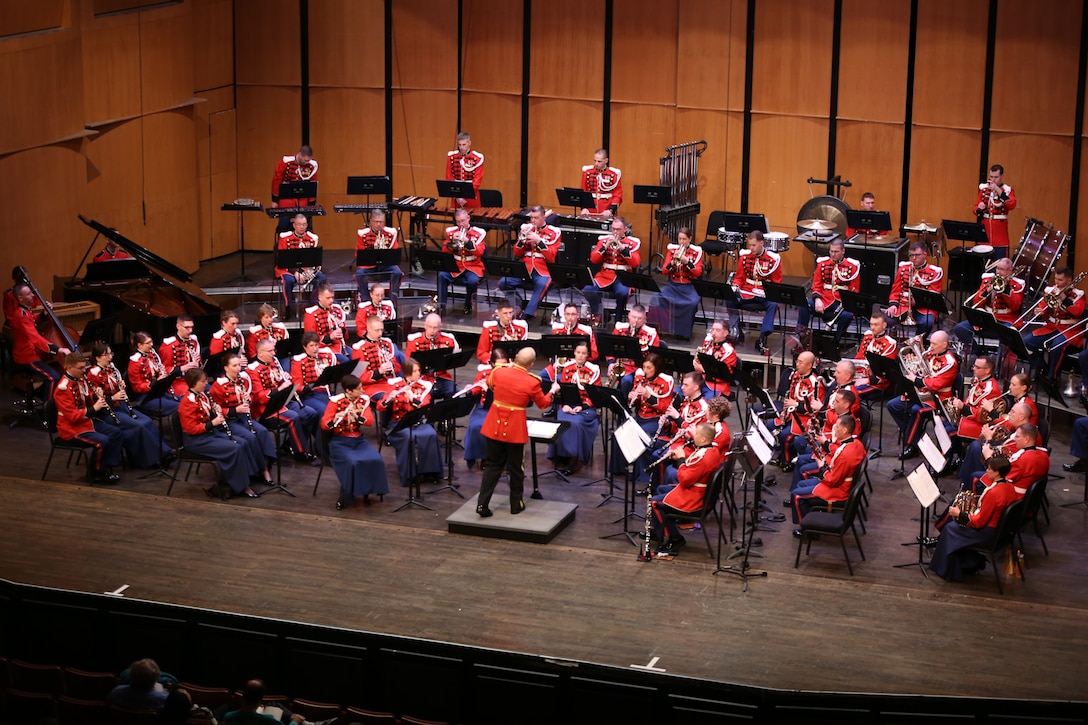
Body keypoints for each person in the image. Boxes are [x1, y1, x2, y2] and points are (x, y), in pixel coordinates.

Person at [476, 347, 560, 517]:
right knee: (516, 468)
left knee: (492, 465)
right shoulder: (532, 381)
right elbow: (543, 404)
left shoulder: (498, 372)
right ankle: (516, 504)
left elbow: (491, 386)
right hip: (514, 428)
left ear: (514, 358)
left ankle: (482, 505)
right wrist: (552, 391)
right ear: (531, 364)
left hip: (495, 424)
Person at [929, 455, 1017, 582]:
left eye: (989, 469)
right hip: (1001, 531)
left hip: (988, 533)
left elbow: (978, 522)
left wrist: (959, 514)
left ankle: (946, 570)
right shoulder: (1009, 487)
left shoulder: (993, 493)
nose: (986, 471)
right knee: (952, 526)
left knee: (950, 528)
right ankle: (966, 563)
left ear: (997, 473)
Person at [178, 367, 263, 498]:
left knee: (243, 441)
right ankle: (240, 486)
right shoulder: (187, 402)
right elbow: (191, 429)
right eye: (203, 381)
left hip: (208, 434)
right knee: (234, 448)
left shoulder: (203, 395)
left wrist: (215, 411)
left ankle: (248, 477)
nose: (206, 383)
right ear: (194, 383)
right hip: (196, 440)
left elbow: (208, 414)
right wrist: (213, 422)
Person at [87, 341, 171, 469]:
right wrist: (113, 397)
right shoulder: (92, 375)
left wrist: (120, 386)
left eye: (111, 353)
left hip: (119, 406)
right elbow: (94, 400)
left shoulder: (110, 368)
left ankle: (163, 454)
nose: (110, 357)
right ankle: (147, 461)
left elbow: (114, 388)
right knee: (138, 426)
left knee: (147, 421)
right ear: (97, 358)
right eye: (106, 355)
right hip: (105, 412)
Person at [649, 423, 722, 557]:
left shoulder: (703, 458)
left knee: (654, 503)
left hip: (694, 499)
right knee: (660, 489)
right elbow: (696, 467)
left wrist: (681, 460)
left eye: (697, 434)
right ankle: (658, 529)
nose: (694, 436)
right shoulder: (712, 450)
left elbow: (685, 479)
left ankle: (674, 538)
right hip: (699, 492)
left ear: (704, 439)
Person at [54, 352, 124, 485]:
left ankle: (106, 467)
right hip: (71, 429)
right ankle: (95, 474)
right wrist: (94, 409)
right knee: (102, 441)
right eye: (80, 368)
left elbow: (86, 395)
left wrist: (95, 395)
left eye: (84, 367)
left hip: (85, 422)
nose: (84, 370)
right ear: (69, 367)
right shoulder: (62, 389)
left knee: (116, 433)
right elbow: (73, 417)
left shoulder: (80, 379)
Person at [210, 353, 279, 485]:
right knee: (251, 437)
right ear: (226, 368)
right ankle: (260, 470)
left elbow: (250, 398)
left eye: (239, 365)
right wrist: (235, 410)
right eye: (234, 366)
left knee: (263, 432)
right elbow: (215, 410)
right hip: (228, 420)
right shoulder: (218, 386)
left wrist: (248, 399)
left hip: (242, 417)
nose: (238, 369)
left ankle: (266, 465)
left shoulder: (243, 380)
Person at [887, 331, 958, 460]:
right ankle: (914, 435)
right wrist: (910, 363)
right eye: (930, 343)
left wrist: (916, 379)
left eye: (934, 344)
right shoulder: (930, 354)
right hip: (921, 393)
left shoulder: (950, 362)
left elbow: (936, 385)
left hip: (938, 399)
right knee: (893, 405)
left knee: (917, 410)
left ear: (944, 344)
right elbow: (917, 369)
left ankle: (912, 445)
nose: (930, 347)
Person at [322, 375, 389, 510]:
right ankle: (345, 496)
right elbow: (324, 425)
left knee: (376, 459)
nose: (363, 391)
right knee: (353, 462)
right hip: (340, 442)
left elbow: (369, 421)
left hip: (358, 440)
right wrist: (336, 419)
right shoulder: (336, 402)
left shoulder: (363, 401)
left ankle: (366, 491)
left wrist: (357, 417)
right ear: (349, 391)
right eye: (359, 389)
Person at [248, 338, 319, 460]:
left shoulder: (273, 363)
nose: (274, 353)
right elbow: (260, 397)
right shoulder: (253, 370)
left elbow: (277, 382)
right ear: (260, 353)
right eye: (270, 351)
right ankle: (300, 452)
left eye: (273, 350)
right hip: (266, 409)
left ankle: (290, 444)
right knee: (293, 417)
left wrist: (284, 378)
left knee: (310, 414)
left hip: (281, 403)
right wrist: (281, 388)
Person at [791, 415, 865, 527]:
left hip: (839, 490)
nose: (834, 428)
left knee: (796, 495)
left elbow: (831, 480)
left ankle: (806, 529)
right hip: (841, 482)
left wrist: (821, 466)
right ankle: (812, 516)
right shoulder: (857, 443)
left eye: (837, 426)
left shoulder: (845, 455)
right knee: (801, 484)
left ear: (845, 431)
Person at [379, 357, 443, 487]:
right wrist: (389, 399)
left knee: (430, 434)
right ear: (407, 372)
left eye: (419, 370)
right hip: (398, 423)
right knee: (408, 438)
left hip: (417, 421)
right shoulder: (395, 385)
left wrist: (412, 399)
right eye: (415, 371)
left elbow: (425, 404)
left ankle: (430, 472)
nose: (419, 373)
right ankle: (409, 475)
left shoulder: (424, 386)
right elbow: (381, 406)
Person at [613, 352, 675, 484]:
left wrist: (649, 396)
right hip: (640, 416)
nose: (645, 371)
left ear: (657, 368)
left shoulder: (665, 381)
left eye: (649, 368)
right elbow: (636, 404)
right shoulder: (640, 376)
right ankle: (620, 469)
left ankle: (641, 476)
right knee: (619, 434)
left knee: (639, 438)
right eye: (644, 367)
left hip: (655, 420)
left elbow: (666, 408)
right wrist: (632, 398)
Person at [647, 371, 709, 491]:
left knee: (657, 455)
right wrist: (667, 424)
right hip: (676, 440)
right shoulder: (687, 401)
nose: (682, 388)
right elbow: (676, 429)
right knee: (649, 446)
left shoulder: (703, 408)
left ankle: (659, 490)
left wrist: (677, 417)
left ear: (696, 387)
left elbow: (695, 436)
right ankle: (651, 483)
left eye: (686, 385)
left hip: (690, 447)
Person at [9, 282, 69, 400]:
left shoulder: (25, 310)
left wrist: (44, 314)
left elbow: (33, 321)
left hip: (33, 352)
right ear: (20, 298)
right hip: (27, 357)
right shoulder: (20, 315)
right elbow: (35, 338)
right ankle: (47, 409)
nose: (32, 295)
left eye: (31, 292)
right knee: (53, 377)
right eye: (29, 294)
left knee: (55, 374)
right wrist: (58, 349)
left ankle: (39, 395)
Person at [1023, 266, 1085, 380]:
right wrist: (1039, 312)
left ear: (1069, 281)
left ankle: (1051, 377)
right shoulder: (1050, 292)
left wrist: (1064, 298)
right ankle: (1040, 366)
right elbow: (1044, 309)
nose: (1057, 282)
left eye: (1060, 280)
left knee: (1056, 346)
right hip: (1051, 327)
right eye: (1056, 279)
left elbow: (1077, 312)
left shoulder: (1078, 295)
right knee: (1026, 342)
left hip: (1069, 330)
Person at [548, 341, 600, 475]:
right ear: (574, 353)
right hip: (568, 405)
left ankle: (574, 459)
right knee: (561, 418)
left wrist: (581, 407)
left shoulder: (594, 370)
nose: (580, 356)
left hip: (586, 408)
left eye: (584, 353)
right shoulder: (568, 366)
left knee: (575, 423)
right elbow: (563, 390)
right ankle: (561, 456)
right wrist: (564, 405)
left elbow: (596, 394)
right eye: (578, 353)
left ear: (588, 355)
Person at [957, 402, 1033, 492]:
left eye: (1013, 412)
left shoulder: (1022, 437)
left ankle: (967, 488)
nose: (1009, 414)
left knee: (976, 448)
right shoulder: (1023, 431)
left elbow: (1003, 459)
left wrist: (989, 439)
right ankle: (965, 483)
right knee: (976, 446)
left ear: (1021, 417)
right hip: (1004, 462)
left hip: (1003, 474)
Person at [952, 257, 1024, 353]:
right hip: (987, 319)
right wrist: (988, 290)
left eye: (1002, 269)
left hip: (1005, 320)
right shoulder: (988, 279)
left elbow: (1015, 306)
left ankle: (1000, 360)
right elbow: (976, 302)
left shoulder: (1017, 285)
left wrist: (1005, 289)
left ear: (1010, 270)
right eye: (997, 268)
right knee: (960, 328)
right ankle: (976, 350)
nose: (998, 272)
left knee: (1009, 336)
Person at [501, 205, 560, 321]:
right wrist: (522, 240)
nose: (533, 221)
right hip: (525, 268)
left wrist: (539, 241)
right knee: (503, 282)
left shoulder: (553, 232)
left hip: (542, 269)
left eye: (536, 218)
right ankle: (517, 304)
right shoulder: (526, 229)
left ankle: (528, 314)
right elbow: (517, 253)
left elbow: (551, 256)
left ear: (544, 217)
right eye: (531, 218)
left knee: (542, 284)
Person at [796, 238, 860, 344]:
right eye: (831, 251)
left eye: (836, 252)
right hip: (824, 298)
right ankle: (802, 335)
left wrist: (846, 303)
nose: (833, 254)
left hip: (840, 302)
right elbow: (816, 285)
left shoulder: (852, 267)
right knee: (804, 305)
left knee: (847, 316)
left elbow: (854, 290)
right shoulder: (823, 264)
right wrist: (817, 299)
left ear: (843, 251)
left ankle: (836, 342)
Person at [727, 230, 782, 353]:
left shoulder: (773, 260)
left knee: (773, 304)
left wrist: (768, 293)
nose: (751, 248)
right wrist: (735, 286)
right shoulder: (745, 257)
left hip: (764, 293)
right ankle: (736, 330)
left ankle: (762, 338)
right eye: (749, 245)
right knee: (730, 298)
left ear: (761, 243)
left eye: (754, 245)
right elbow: (740, 278)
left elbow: (776, 283)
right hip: (747, 291)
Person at [584, 217, 640, 321]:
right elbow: (593, 259)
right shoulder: (604, 241)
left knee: (622, 293)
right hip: (605, 276)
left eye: (618, 229)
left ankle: (618, 320)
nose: (615, 232)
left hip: (623, 276)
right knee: (588, 290)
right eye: (613, 229)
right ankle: (601, 315)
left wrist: (623, 249)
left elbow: (636, 263)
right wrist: (604, 247)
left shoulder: (633, 243)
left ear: (625, 229)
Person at [463, 348, 508, 470]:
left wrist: (489, 390)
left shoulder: (511, 374)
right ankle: (484, 457)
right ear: (492, 364)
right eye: (498, 365)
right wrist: (470, 390)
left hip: (505, 408)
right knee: (477, 426)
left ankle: (500, 457)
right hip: (485, 408)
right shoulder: (484, 373)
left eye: (504, 364)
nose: (500, 368)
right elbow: (476, 388)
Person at [655, 226, 703, 338]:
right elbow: (664, 271)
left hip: (689, 286)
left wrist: (687, 262)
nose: (681, 242)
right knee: (657, 297)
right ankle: (664, 329)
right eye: (680, 239)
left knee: (691, 303)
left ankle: (683, 333)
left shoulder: (696, 252)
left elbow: (698, 273)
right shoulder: (672, 251)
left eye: (684, 239)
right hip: (673, 285)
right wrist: (672, 263)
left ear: (690, 239)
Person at [438, 209, 487, 315]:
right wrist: (451, 242)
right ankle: (441, 305)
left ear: (468, 218)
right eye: (458, 221)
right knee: (442, 275)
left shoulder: (478, 233)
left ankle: (468, 303)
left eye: (463, 221)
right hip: (456, 266)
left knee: (472, 281)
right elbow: (444, 250)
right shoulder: (451, 232)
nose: (461, 224)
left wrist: (467, 242)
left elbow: (480, 252)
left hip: (473, 266)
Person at [274, 214, 325, 316]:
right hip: (287, 269)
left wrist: (307, 272)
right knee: (288, 281)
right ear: (294, 225)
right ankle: (288, 307)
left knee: (321, 278)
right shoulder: (285, 238)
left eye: (304, 224)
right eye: (299, 224)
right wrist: (295, 272)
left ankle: (313, 303)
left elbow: (313, 260)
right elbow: (282, 259)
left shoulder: (312, 238)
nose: (302, 227)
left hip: (306, 269)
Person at [405, 312, 461, 399]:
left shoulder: (448, 339)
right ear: (425, 326)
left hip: (441, 376)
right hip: (421, 378)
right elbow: (408, 364)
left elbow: (456, 358)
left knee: (454, 392)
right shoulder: (414, 340)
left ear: (440, 327)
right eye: (430, 327)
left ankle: (446, 412)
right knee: (426, 395)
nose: (432, 330)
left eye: (435, 328)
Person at [542, 303, 598, 386]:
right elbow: (551, 350)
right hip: (559, 365)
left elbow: (594, 353)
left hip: (576, 366)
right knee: (539, 378)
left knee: (559, 379)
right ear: (564, 315)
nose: (570, 318)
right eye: (568, 314)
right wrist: (554, 362)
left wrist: (577, 358)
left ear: (578, 316)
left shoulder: (586, 331)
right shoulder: (557, 329)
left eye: (573, 314)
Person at [610, 304, 660, 396]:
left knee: (626, 381)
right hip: (621, 365)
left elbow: (654, 356)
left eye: (639, 318)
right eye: (634, 317)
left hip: (639, 368)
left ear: (645, 318)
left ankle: (624, 407)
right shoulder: (620, 328)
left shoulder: (651, 333)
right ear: (629, 315)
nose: (636, 321)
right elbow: (610, 347)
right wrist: (611, 363)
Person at [128, 331, 180, 416]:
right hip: (145, 397)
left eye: (151, 342)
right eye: (148, 343)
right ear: (139, 345)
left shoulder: (151, 355)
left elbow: (154, 373)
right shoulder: (135, 362)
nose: (151, 344)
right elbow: (137, 387)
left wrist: (161, 374)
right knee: (178, 407)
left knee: (182, 402)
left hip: (157, 391)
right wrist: (155, 383)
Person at [952, 356, 1004, 441]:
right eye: (974, 366)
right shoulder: (979, 381)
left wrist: (963, 407)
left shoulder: (991, 389)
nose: (973, 369)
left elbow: (982, 415)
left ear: (987, 370)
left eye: (977, 367)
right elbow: (969, 400)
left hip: (979, 426)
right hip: (969, 420)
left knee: (949, 431)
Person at [354, 209, 402, 300]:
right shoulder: (363, 234)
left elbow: (394, 251)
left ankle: (393, 300)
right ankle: (366, 300)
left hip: (386, 265)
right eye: (376, 222)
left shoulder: (390, 234)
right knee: (359, 274)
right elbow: (359, 254)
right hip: (369, 266)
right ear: (370, 221)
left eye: (381, 222)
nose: (379, 224)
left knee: (397, 272)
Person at [352, 314, 402, 400]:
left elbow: (398, 368)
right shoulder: (359, 349)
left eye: (381, 330)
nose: (380, 334)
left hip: (390, 382)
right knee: (390, 399)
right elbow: (358, 377)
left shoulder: (387, 344)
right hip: (371, 387)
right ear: (368, 329)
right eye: (377, 330)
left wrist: (392, 365)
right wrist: (379, 372)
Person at [974, 163, 1017, 260]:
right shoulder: (984, 190)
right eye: (991, 177)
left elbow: (1011, 204)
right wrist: (979, 208)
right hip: (984, 237)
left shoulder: (1007, 190)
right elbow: (975, 208)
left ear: (1002, 176)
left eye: (996, 177)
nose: (993, 180)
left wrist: (998, 190)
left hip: (1000, 237)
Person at [852, 311, 898, 398]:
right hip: (860, 374)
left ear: (884, 325)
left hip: (877, 383)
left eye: (876, 325)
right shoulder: (868, 336)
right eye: (871, 324)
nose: (872, 328)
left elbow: (885, 373)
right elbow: (859, 357)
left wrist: (867, 380)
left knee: (850, 394)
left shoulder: (890, 344)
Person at [271, 145, 318, 232]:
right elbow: (277, 180)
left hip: (303, 201)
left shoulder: (312, 165)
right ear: (299, 154)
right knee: (283, 227)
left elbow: (313, 184)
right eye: (305, 160)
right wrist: (275, 200)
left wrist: (312, 204)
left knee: (304, 227)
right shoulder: (285, 162)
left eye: (309, 160)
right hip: (286, 200)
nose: (307, 162)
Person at [291, 331, 337, 418]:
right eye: (311, 346)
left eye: (316, 345)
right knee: (325, 411)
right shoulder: (299, 361)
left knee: (340, 408)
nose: (315, 349)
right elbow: (297, 386)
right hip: (310, 396)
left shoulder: (325, 356)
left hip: (326, 392)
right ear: (305, 347)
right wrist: (308, 388)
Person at [223, 679, 305, 724]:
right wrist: (295, 721)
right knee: (274, 705)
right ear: (260, 699)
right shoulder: (268, 720)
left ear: (243, 696)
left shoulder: (228, 717)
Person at [693, 319, 738, 400]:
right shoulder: (708, 343)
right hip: (701, 381)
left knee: (703, 403)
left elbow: (724, 376)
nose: (713, 333)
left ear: (725, 333)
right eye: (712, 329)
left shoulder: (729, 351)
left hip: (718, 386)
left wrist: (703, 369)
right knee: (680, 394)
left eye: (717, 330)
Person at [160, 315, 202, 398]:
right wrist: (181, 368)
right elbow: (164, 369)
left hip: (194, 379)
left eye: (192, 327)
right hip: (176, 381)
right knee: (193, 396)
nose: (190, 331)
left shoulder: (193, 342)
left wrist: (198, 363)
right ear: (178, 326)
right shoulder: (168, 345)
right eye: (187, 327)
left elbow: (201, 364)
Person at [303, 284, 349, 361]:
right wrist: (330, 337)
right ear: (320, 297)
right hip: (323, 349)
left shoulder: (337, 310)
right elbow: (310, 339)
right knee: (346, 361)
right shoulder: (311, 314)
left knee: (360, 361)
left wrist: (342, 329)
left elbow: (346, 336)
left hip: (339, 346)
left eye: (332, 297)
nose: (331, 301)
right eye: (328, 298)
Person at [446, 131, 484, 210]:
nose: (461, 147)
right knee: (456, 220)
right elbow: (449, 177)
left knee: (473, 219)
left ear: (469, 143)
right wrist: (457, 196)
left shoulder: (477, 158)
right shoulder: (452, 157)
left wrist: (465, 194)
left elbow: (477, 180)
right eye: (459, 145)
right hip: (456, 196)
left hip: (471, 196)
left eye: (464, 145)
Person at [579, 148, 622, 217]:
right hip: (590, 210)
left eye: (599, 161)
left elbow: (617, 195)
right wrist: (584, 208)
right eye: (595, 161)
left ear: (606, 160)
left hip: (606, 209)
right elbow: (583, 192)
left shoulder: (614, 175)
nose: (596, 163)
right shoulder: (588, 172)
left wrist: (610, 210)